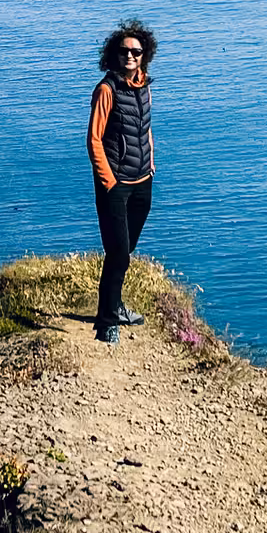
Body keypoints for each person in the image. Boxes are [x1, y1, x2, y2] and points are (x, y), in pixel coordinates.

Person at [88, 21, 156, 342]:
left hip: (143, 182)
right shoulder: (107, 89)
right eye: (124, 51)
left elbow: (145, 129)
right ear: (114, 54)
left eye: (136, 52)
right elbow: (94, 139)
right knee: (118, 254)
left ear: (144, 56)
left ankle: (114, 306)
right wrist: (109, 182)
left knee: (126, 250)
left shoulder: (144, 86)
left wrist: (151, 163)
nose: (130, 56)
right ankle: (106, 323)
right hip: (116, 185)